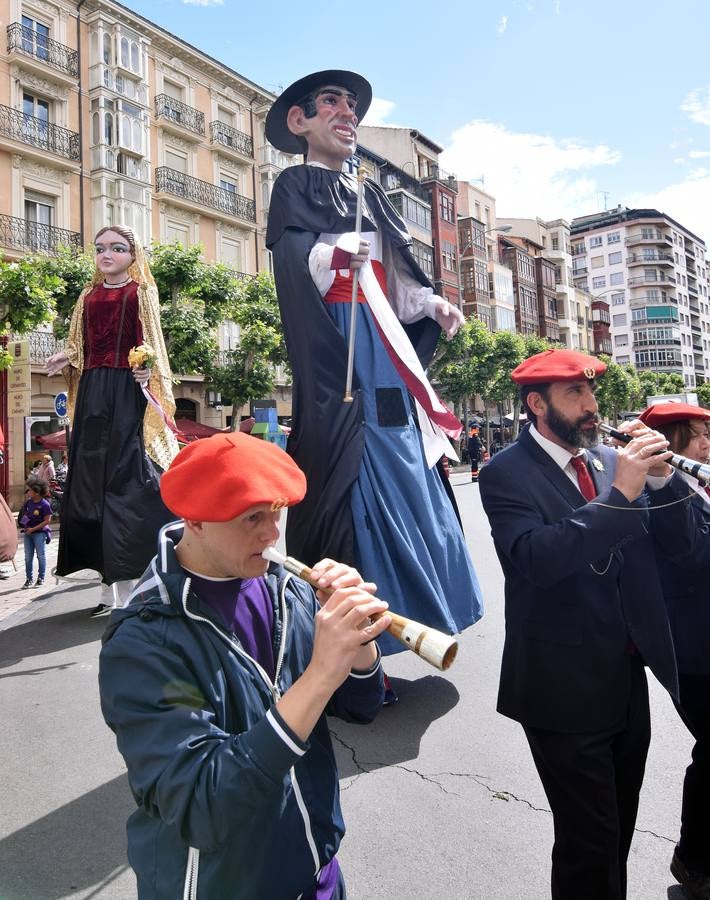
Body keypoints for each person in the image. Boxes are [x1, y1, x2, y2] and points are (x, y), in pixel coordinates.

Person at [99, 432, 388, 899]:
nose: (272, 534)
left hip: (319, 874)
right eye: (253, 517)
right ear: (194, 518)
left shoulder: (286, 590)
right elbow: (204, 802)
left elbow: (361, 705)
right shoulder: (148, 639)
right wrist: (317, 676)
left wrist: (357, 641)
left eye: (277, 513)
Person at [265, 70, 483, 660]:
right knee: (354, 455)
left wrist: (430, 303)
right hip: (339, 342)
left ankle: (428, 605)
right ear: (299, 121)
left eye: (352, 105)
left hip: (383, 339)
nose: (347, 112)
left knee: (404, 454)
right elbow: (290, 266)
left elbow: (394, 276)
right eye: (331, 103)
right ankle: (356, 637)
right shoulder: (290, 186)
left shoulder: (371, 195)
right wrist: (330, 251)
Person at [478, 348, 684, 900]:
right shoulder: (504, 473)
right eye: (577, 394)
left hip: (622, 679)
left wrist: (663, 481)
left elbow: (675, 551)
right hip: (560, 687)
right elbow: (535, 558)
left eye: (592, 392)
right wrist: (623, 496)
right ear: (537, 404)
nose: (593, 406)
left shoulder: (604, 461)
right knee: (587, 841)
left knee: (616, 826)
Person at [47, 226, 178, 617]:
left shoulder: (141, 293)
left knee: (127, 479)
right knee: (90, 483)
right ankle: (108, 584)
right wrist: (67, 357)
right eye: (100, 248)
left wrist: (146, 371)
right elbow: (79, 343)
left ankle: (136, 581)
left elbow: (152, 342)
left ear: (132, 255)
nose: (107, 254)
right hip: (92, 391)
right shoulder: (87, 295)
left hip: (125, 390)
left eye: (117, 248)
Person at [638, 402, 710, 899]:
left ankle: (694, 856)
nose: (707, 442)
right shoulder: (659, 492)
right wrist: (666, 479)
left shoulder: (698, 486)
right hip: (693, 652)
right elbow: (689, 553)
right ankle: (693, 861)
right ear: (670, 442)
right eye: (698, 434)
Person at [19, 479, 52, 589]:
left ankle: (41, 577)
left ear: (36, 492)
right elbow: (25, 516)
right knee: (28, 557)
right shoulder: (28, 503)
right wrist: (25, 526)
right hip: (28, 533)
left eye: (29, 490)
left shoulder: (45, 504)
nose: (27, 492)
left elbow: (47, 521)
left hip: (39, 533)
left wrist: (33, 529)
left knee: (40, 556)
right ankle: (29, 578)